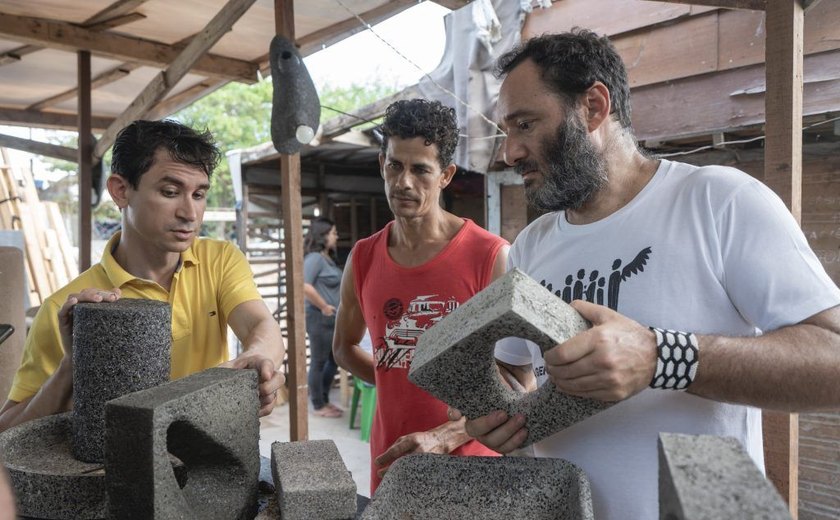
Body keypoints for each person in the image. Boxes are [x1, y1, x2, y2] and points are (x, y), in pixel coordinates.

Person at [459, 29, 840, 519]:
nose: (510, 153)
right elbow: (516, 370)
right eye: (506, 133)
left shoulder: (717, 201)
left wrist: (664, 357)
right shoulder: (531, 245)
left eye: (526, 125)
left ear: (594, 107)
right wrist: (502, 414)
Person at [0, 120, 286, 433]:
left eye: (199, 194)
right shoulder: (67, 308)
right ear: (121, 190)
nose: (190, 213)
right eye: (170, 192)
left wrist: (257, 361)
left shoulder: (219, 259)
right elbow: (7, 433)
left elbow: (260, 324)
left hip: (208, 457)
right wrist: (74, 364)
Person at [332, 99, 516, 493]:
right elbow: (344, 348)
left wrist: (447, 435)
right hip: (393, 460)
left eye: (420, 170)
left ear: (446, 175)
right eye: (395, 165)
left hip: (474, 467)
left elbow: (519, 383)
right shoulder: (363, 258)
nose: (404, 183)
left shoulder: (490, 256)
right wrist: (399, 382)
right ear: (382, 162)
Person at [302, 217, 343, 418]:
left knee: (333, 360)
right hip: (319, 317)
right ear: (323, 235)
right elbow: (304, 285)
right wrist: (325, 306)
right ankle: (318, 405)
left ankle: (324, 399)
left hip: (329, 319)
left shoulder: (327, 259)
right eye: (333, 232)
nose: (336, 236)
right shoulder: (315, 259)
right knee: (318, 361)